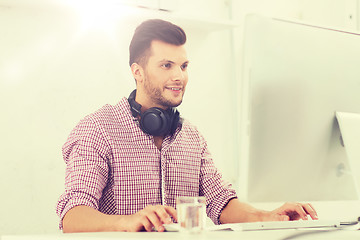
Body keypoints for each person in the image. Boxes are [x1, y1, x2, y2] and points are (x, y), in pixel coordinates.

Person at [56, 19, 318, 233]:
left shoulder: (191, 136)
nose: (179, 76)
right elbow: (73, 216)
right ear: (138, 71)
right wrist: (126, 222)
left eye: (183, 66)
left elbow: (221, 202)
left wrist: (268, 216)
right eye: (166, 65)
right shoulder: (97, 129)